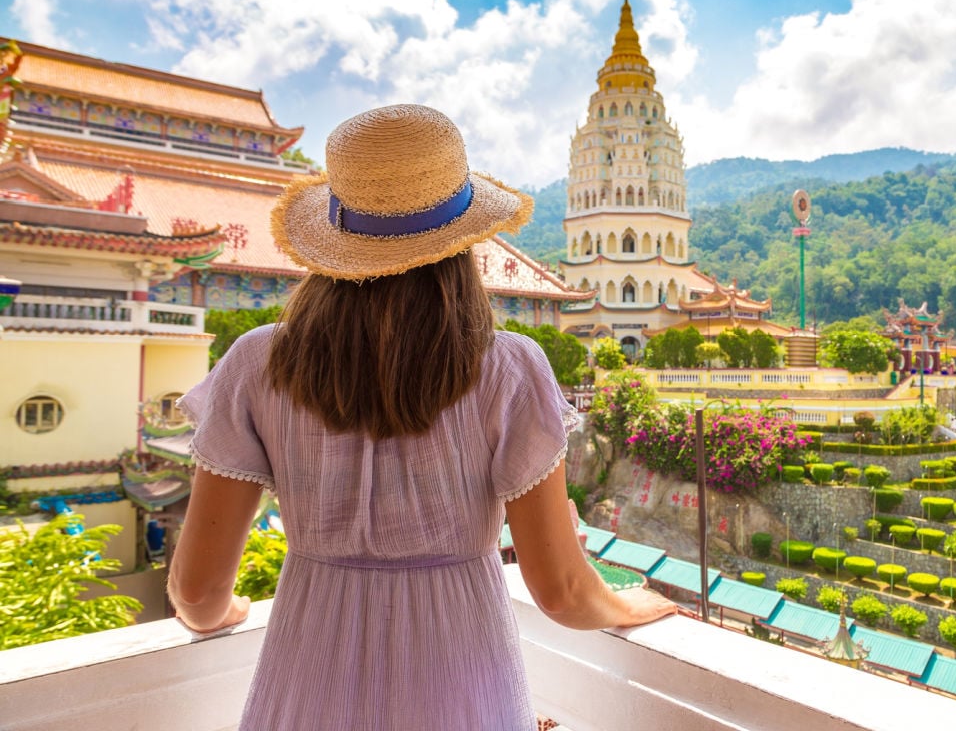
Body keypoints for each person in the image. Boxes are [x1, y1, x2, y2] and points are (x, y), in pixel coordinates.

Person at [167, 104, 676, 730]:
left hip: (308, 677)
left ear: (335, 239)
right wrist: (626, 608)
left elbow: (195, 591)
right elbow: (563, 593)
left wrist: (219, 615)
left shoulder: (258, 362)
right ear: (462, 239)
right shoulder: (509, 368)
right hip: (462, 679)